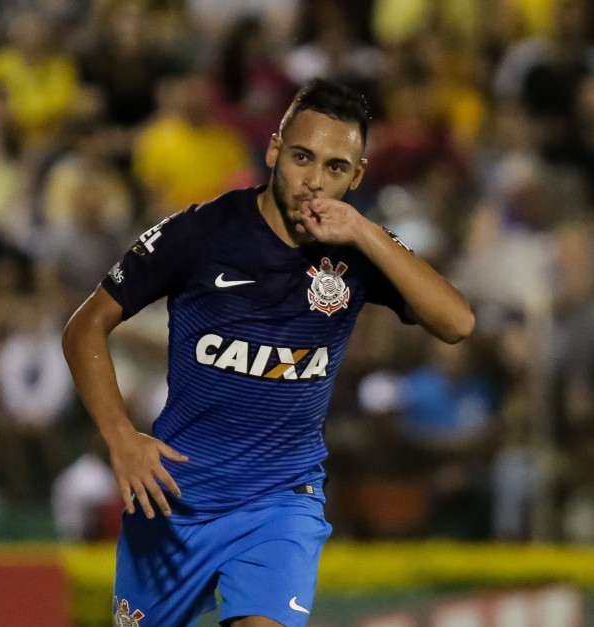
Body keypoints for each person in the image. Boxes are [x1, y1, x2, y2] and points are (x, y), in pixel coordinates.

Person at [62, 78, 475, 627]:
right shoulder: (201, 233)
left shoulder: (359, 247)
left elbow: (457, 322)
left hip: (279, 504)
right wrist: (119, 436)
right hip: (176, 499)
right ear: (275, 148)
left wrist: (364, 230)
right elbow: (84, 326)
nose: (315, 181)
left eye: (335, 167)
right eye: (303, 157)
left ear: (357, 175)